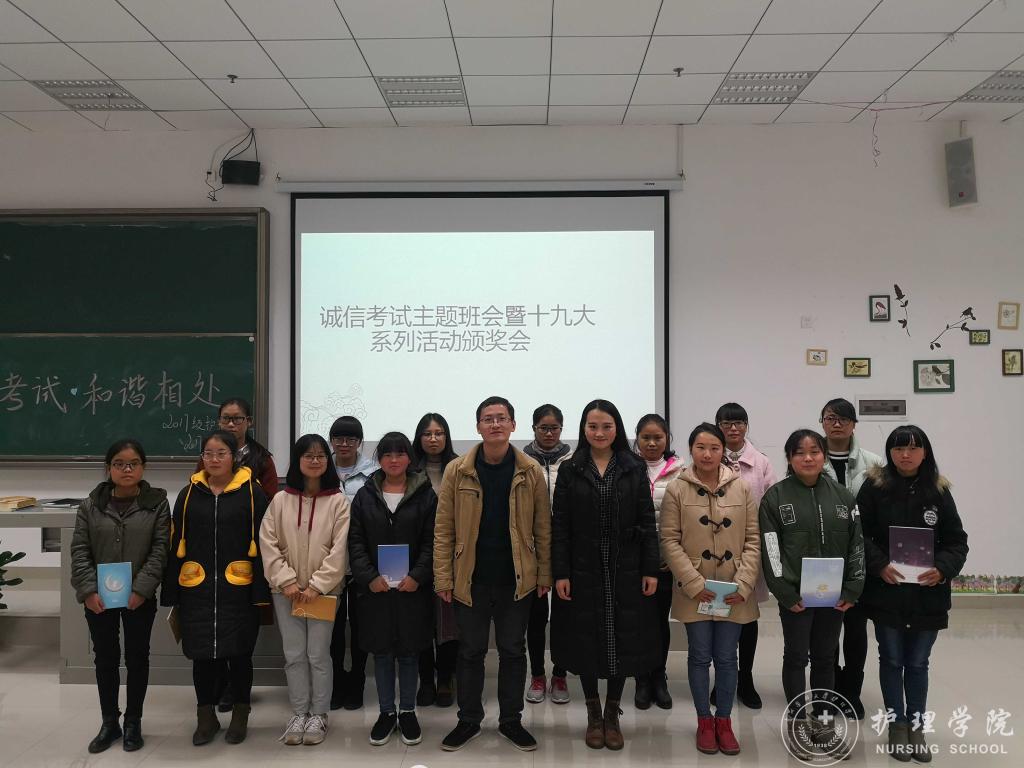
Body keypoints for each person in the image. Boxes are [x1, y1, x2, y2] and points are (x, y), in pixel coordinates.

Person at [433, 396, 552, 752]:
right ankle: (468, 720)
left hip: (517, 579)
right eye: (488, 419)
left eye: (502, 418)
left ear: (513, 425)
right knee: (470, 651)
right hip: (470, 578)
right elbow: (444, 529)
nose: (495, 424)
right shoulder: (457, 470)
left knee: (513, 651)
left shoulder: (531, 470)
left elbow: (543, 527)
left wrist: (544, 574)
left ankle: (511, 720)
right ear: (478, 426)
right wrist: (443, 577)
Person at [551, 399, 660, 751]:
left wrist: (650, 568)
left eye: (606, 426)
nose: (599, 433)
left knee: (621, 639)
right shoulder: (571, 468)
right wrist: (561, 572)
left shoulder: (633, 467)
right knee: (584, 639)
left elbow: (647, 521)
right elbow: (560, 526)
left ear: (617, 429)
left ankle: (612, 714)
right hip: (582, 567)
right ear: (584, 429)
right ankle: (592, 713)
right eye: (593, 426)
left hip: (624, 567)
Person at [857, 426, 968, 763]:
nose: (905, 455)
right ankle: (897, 725)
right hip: (887, 591)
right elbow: (858, 535)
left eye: (913, 448)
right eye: (898, 448)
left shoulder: (939, 490)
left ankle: (917, 726)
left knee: (918, 663)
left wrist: (943, 569)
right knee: (891, 660)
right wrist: (879, 565)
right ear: (889, 452)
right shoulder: (874, 487)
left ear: (925, 452)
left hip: (926, 595)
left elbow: (957, 541)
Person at [759, 429, 865, 753]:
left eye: (815, 452)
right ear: (789, 458)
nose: (808, 458)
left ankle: (823, 724)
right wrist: (784, 593)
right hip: (796, 598)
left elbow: (856, 545)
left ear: (824, 456)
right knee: (795, 657)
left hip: (833, 598)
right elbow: (771, 550)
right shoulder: (775, 498)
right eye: (800, 452)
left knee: (825, 658)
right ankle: (797, 725)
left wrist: (852, 588)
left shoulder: (843, 497)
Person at [162, 430, 270, 746]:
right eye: (208, 453)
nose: (214, 459)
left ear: (234, 456)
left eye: (221, 453)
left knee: (240, 655)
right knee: (202, 657)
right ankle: (205, 715)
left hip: (239, 589)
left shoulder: (253, 493)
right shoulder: (189, 493)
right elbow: (175, 543)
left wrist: (261, 592)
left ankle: (240, 714)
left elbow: (266, 543)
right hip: (197, 588)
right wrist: (171, 591)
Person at [660, 423, 760, 756]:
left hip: (733, 590)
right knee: (700, 656)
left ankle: (725, 721)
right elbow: (669, 540)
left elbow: (753, 539)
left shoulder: (741, 487)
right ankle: (704, 720)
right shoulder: (677, 488)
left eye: (714, 448)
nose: (707, 454)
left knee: (728, 658)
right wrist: (693, 583)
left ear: (723, 451)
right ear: (691, 449)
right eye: (700, 447)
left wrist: (744, 583)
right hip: (696, 591)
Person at [70, 439, 170, 754]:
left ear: (143, 467)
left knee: (137, 658)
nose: (127, 469)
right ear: (109, 468)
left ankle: (133, 722)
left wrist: (141, 589)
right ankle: (109, 722)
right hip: (99, 598)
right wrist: (88, 590)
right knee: (105, 658)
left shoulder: (157, 504)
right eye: (119, 464)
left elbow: (160, 550)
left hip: (139, 597)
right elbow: (80, 550)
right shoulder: (90, 505)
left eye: (133, 464)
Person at [260, 434, 350, 747]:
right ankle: (299, 713)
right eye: (308, 455)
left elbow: (340, 550)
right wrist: (286, 581)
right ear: (297, 461)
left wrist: (316, 585)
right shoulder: (280, 500)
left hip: (323, 593)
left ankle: (319, 715)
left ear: (328, 461)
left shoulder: (338, 501)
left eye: (320, 455)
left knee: (318, 655)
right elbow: (268, 543)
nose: (315, 461)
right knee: (294, 654)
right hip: (284, 591)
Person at [349, 432, 437, 747]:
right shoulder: (365, 496)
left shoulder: (425, 494)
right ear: (380, 459)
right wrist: (369, 576)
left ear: (409, 458)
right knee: (383, 653)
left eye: (400, 453)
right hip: (376, 590)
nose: (394, 459)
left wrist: (418, 575)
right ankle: (387, 712)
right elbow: (355, 541)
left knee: (410, 652)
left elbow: (433, 541)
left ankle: (408, 712)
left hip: (413, 589)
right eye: (388, 454)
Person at [820, 398, 883, 719]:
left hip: (860, 558)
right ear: (822, 422)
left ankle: (852, 691)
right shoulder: (811, 457)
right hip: (823, 559)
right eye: (830, 418)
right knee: (826, 629)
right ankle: (829, 686)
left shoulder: (874, 463)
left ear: (854, 424)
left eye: (843, 419)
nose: (837, 424)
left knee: (856, 629)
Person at [714, 402, 778, 710]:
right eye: (726, 423)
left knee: (747, 617)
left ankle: (745, 678)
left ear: (746, 426)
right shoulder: (709, 457)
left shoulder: (761, 462)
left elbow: (771, 505)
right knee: (719, 614)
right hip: (714, 551)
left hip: (748, 552)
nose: (733, 428)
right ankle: (722, 679)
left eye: (739, 422)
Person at [632, 412, 685, 711]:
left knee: (660, 621)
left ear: (667, 439)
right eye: (646, 437)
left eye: (658, 437)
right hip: (634, 563)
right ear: (637, 439)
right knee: (640, 622)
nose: (652, 443)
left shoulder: (681, 472)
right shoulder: (626, 468)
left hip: (666, 563)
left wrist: (672, 557)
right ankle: (641, 678)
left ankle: (658, 676)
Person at [522, 404, 572, 705]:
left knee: (564, 617)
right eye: (543, 428)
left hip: (567, 547)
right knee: (536, 617)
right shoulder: (522, 461)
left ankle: (561, 674)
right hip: (532, 549)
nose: (549, 433)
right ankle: (538, 675)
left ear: (562, 429)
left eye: (554, 428)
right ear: (534, 429)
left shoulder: (573, 460)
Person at [328, 415, 379, 710]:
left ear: (360, 442)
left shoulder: (373, 473)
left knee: (361, 626)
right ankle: (336, 682)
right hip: (328, 563)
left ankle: (357, 680)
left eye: (351, 439)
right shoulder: (321, 470)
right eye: (338, 438)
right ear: (331, 441)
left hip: (362, 562)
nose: (344, 444)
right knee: (331, 628)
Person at [411, 412, 459, 708]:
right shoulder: (408, 470)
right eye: (427, 434)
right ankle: (426, 679)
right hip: (417, 556)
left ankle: (446, 678)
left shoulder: (459, 467)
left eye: (439, 433)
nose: (433, 439)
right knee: (421, 621)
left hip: (452, 556)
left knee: (448, 620)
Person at [213, 397, 279, 495]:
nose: (230, 424)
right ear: (219, 421)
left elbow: (270, 499)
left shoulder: (262, 459)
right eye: (225, 418)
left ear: (249, 421)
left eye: (237, 418)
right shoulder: (210, 456)